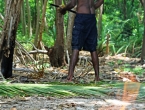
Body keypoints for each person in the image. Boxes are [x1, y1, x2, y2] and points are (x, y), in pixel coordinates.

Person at [59, 0, 104, 82]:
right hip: (91, 18)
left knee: (76, 47)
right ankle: (97, 77)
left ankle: (70, 76)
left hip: (81, 19)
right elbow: (101, 1)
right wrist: (92, 6)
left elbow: (72, 3)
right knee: (93, 49)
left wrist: (64, 9)